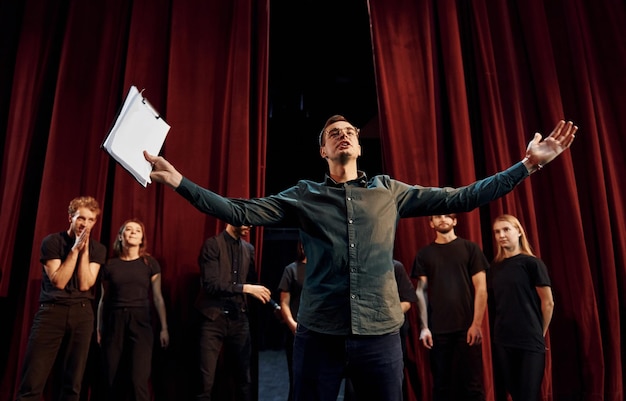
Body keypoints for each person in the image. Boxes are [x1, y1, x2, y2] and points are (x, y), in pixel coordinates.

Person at [143, 115, 576, 401]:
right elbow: (238, 211)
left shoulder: (389, 190)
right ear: (323, 152)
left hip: (380, 337)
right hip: (318, 336)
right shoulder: (303, 195)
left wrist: (526, 166)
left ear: (359, 147)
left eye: (349, 130)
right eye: (333, 133)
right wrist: (178, 180)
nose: (343, 134)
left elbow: (462, 197)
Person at [15, 196, 106, 401]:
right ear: (70, 218)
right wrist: (74, 250)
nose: (85, 224)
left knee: (72, 384)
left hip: (82, 314)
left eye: (90, 220)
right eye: (81, 218)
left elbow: (84, 284)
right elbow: (59, 281)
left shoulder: (98, 249)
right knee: (33, 380)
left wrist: (84, 252)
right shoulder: (52, 242)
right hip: (51, 313)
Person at [411, 214, 489, 401]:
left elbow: (481, 288)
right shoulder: (424, 254)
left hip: (467, 328)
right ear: (431, 223)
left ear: (455, 221)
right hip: (438, 330)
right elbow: (420, 292)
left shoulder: (470, 248)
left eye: (448, 216)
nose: (443, 219)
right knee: (441, 386)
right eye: (437, 216)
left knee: (473, 386)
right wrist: (424, 327)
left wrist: (476, 324)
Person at [194, 223, 272, 401]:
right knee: (205, 382)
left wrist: (273, 305)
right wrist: (246, 288)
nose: (250, 225)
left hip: (239, 319)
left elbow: (253, 285)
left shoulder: (248, 249)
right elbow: (211, 285)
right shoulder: (213, 245)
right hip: (212, 319)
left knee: (244, 379)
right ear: (230, 218)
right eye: (245, 220)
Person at [96, 218, 170, 401]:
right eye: (128, 229)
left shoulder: (149, 264)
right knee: (111, 377)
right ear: (121, 236)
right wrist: (98, 328)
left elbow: (158, 298)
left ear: (142, 237)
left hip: (141, 322)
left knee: (139, 379)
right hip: (114, 321)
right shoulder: (110, 266)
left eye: (138, 230)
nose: (133, 232)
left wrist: (164, 328)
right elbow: (102, 300)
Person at [488, 214, 554, 401]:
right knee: (515, 394)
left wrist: (539, 332)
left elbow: (548, 302)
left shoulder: (532, 263)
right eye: (497, 232)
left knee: (528, 396)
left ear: (518, 231)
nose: (501, 235)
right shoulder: (495, 267)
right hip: (503, 340)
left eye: (506, 229)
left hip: (529, 340)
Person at [343, 259, 417, 401]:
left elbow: (407, 300)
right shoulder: (353, 270)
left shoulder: (394, 267)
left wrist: (386, 317)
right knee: (354, 387)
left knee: (388, 387)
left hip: (388, 335)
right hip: (358, 337)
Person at [277, 241, 307, 401]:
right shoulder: (292, 269)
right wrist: (292, 325)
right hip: (297, 332)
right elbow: (284, 302)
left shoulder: (324, 268)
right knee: (297, 381)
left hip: (320, 332)